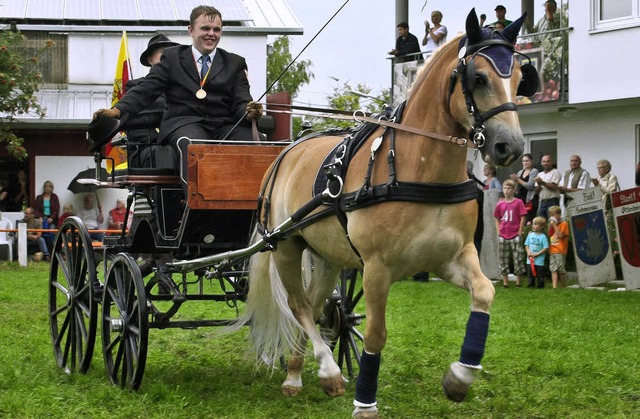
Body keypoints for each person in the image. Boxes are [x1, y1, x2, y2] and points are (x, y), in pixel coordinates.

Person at [93, 5, 263, 194]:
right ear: (191, 30)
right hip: (185, 122)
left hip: (224, 125)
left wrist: (249, 112)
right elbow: (146, 90)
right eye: (205, 28)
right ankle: (200, 204)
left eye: (216, 30)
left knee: (250, 143)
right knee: (195, 146)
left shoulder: (234, 62)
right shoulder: (173, 58)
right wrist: (117, 111)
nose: (211, 34)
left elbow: (241, 103)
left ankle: (249, 204)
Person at [125, 34, 180, 168]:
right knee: (167, 153)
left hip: (179, 145)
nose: (167, 56)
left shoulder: (184, 88)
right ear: (150, 59)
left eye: (171, 53)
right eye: (162, 52)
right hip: (147, 149)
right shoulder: (135, 87)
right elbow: (139, 129)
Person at [494, 180, 527, 288]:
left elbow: (523, 217)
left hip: (515, 233)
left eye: (509, 188)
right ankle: (505, 281)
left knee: (518, 256)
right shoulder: (500, 204)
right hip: (503, 233)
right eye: (505, 188)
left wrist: (520, 231)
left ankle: (518, 281)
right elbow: (497, 218)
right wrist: (498, 231)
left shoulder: (518, 202)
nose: (506, 191)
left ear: (513, 190)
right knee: (503, 257)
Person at [510, 153, 539, 223]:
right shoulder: (520, 172)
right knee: (519, 219)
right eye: (524, 161)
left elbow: (530, 186)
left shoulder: (534, 171)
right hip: (520, 198)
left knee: (528, 220)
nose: (525, 163)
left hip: (529, 199)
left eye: (527, 161)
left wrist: (518, 179)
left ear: (531, 161)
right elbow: (517, 185)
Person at [33, 180, 60, 253]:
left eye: (49, 187)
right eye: (46, 186)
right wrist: (39, 217)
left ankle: (53, 252)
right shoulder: (39, 197)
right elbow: (36, 209)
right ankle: (45, 252)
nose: (47, 188)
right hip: (42, 218)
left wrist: (52, 218)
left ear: (52, 188)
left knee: (51, 234)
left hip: (52, 219)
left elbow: (57, 209)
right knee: (42, 235)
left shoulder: (54, 197)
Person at [547, 205, 569, 289]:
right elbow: (549, 234)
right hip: (553, 250)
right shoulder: (552, 225)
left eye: (553, 215)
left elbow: (560, 235)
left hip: (561, 250)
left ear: (559, 215)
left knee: (561, 269)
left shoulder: (564, 224)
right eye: (550, 215)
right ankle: (554, 287)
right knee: (553, 269)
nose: (552, 217)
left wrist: (555, 226)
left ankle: (563, 285)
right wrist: (551, 226)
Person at [525, 216, 549, 288]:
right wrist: (528, 252)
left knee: (540, 275)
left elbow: (545, 247)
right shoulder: (530, 235)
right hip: (530, 260)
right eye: (533, 224)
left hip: (539, 261)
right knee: (530, 274)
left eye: (535, 224)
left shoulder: (543, 237)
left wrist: (537, 254)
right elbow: (526, 245)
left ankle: (540, 286)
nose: (533, 226)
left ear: (541, 227)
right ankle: (530, 286)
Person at [535, 155, 561, 219]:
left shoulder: (556, 172)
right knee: (541, 223)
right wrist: (539, 185)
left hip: (552, 202)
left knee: (553, 222)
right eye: (544, 162)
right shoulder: (539, 174)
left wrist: (542, 182)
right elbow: (536, 191)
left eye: (548, 161)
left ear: (551, 162)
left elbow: (554, 187)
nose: (545, 163)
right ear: (541, 163)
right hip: (542, 202)